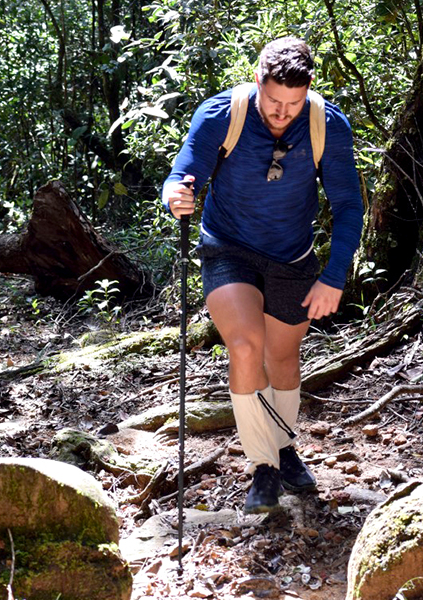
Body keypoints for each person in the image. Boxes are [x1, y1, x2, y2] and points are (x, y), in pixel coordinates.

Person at [162, 37, 363, 513]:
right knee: (247, 346)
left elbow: (349, 204)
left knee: (283, 356)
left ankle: (285, 447)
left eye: (294, 103)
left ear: (308, 91)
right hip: (228, 246)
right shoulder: (221, 114)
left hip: (293, 256)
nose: (283, 112)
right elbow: (182, 172)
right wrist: (176, 195)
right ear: (258, 80)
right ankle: (263, 468)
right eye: (274, 101)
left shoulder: (326, 125)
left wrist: (334, 276)